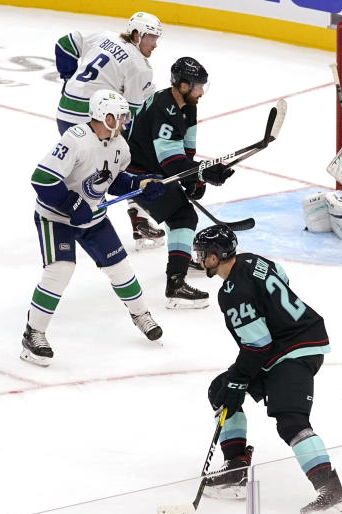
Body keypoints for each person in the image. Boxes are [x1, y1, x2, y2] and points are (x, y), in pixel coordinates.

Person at [192, 225, 342, 514]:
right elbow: (282, 278)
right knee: (221, 390)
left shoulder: (232, 294)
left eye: (202, 254)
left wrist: (240, 378)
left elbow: (257, 345)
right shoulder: (253, 260)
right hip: (288, 343)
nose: (199, 259)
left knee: (291, 420)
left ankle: (332, 492)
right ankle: (236, 469)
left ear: (215, 257)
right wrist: (236, 379)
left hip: (292, 350)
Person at [21, 89, 167, 367]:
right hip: (56, 217)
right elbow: (41, 179)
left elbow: (113, 181)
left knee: (120, 268)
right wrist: (72, 204)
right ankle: (33, 334)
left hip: (93, 217)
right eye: (121, 117)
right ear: (105, 116)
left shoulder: (119, 146)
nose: (125, 122)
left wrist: (139, 185)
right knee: (60, 270)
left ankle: (141, 315)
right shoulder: (75, 140)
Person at [126, 57, 236, 310]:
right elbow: (172, 163)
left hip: (155, 169)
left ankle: (180, 258)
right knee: (183, 216)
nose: (201, 92)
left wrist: (195, 179)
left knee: (182, 216)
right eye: (198, 87)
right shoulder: (165, 109)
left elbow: (184, 154)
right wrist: (202, 173)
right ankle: (175, 285)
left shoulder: (189, 104)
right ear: (184, 85)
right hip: (139, 175)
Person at [54, 11, 166, 249]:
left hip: (64, 112)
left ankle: (66, 208)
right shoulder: (140, 67)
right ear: (137, 35)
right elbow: (129, 117)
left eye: (157, 38)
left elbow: (65, 44)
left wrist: (67, 80)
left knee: (86, 167)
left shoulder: (105, 36)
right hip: (94, 120)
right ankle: (136, 217)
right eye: (151, 38)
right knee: (120, 163)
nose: (155, 44)